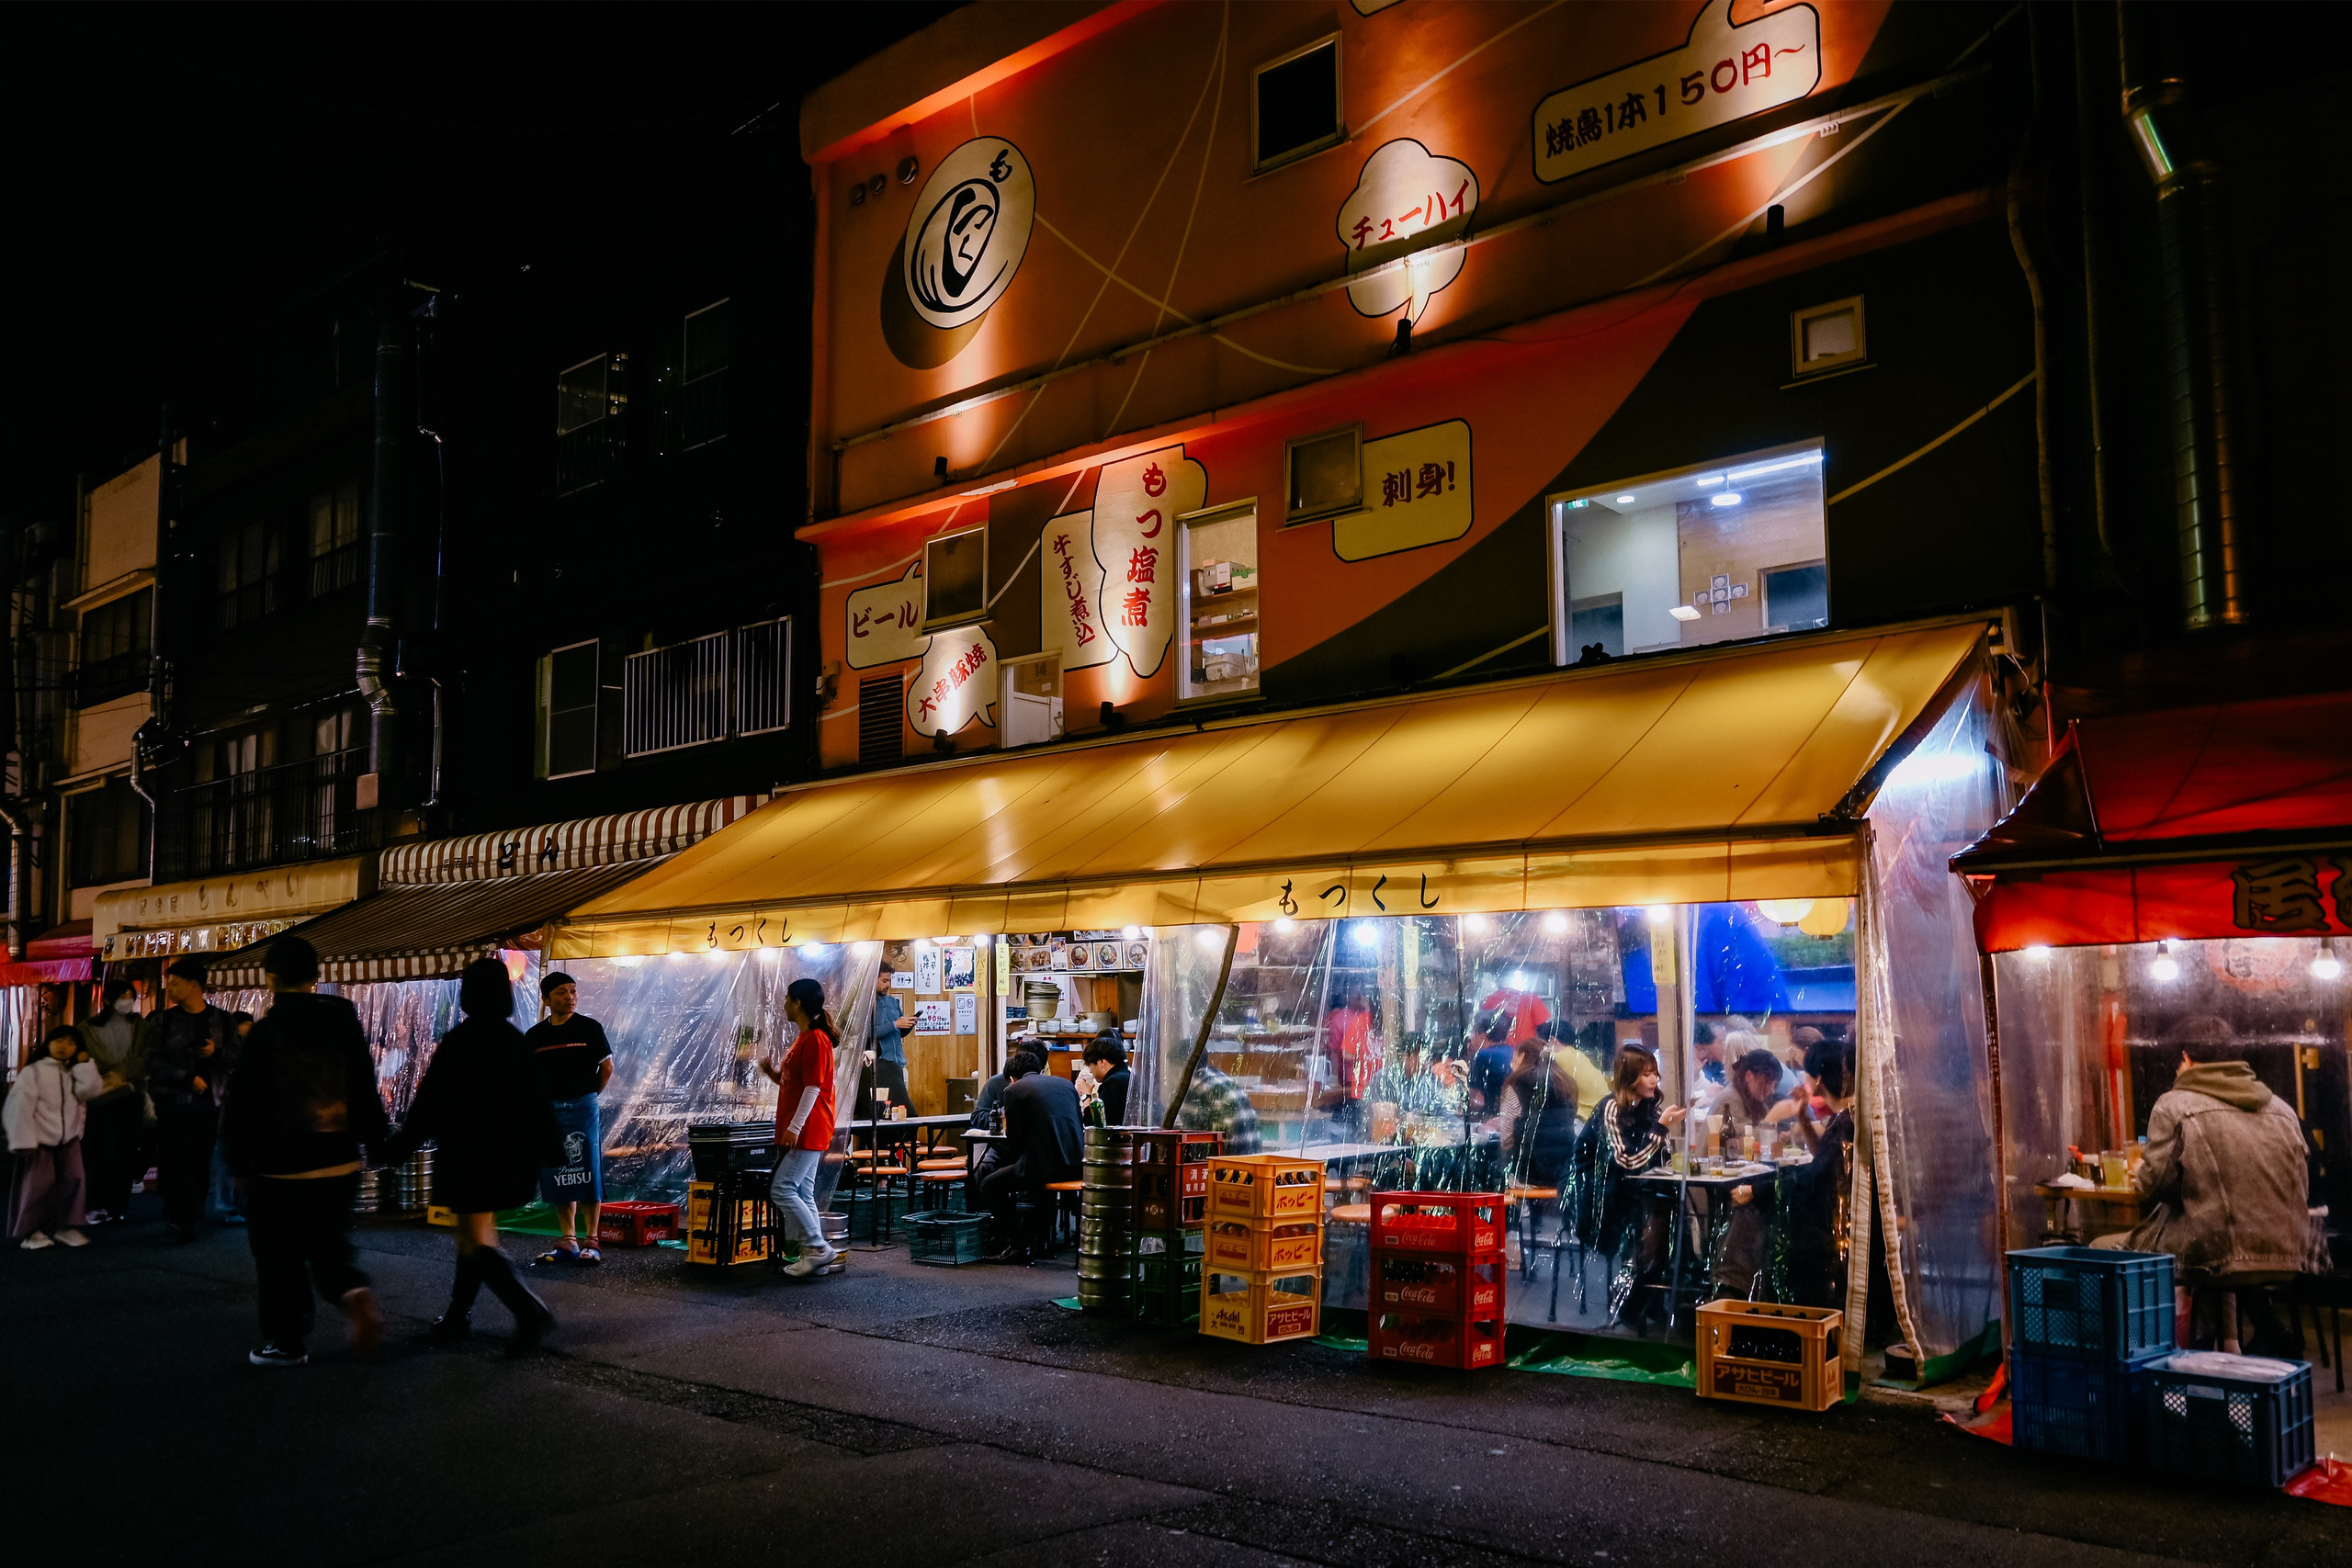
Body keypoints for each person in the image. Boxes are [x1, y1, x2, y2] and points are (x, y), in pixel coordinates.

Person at [220, 936, 389, 1368]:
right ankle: (352, 1291)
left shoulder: (264, 1033)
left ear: (270, 979)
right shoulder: (343, 1020)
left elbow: (242, 1103)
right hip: (340, 1159)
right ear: (316, 976)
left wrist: (237, 1162)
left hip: (280, 1169)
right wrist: (377, 1142)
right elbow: (364, 1084)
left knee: (279, 1257)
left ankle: (286, 1341)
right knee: (330, 1246)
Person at [382, 959, 561, 1350]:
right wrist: (552, 1151)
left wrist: (396, 1149)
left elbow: (429, 1106)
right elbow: (538, 1102)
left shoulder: (461, 1042)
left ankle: (525, 1307)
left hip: (469, 1157)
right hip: (511, 1158)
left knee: (474, 1241)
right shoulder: (515, 1041)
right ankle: (457, 1316)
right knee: (474, 1240)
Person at [2096, 1043, 2313, 1351]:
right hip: (2288, 1252)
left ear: (2186, 1058)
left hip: (2216, 1254)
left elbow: (2153, 1185)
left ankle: (2129, 1359)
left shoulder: (2174, 1104)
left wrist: (2144, 1169)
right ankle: (2228, 1346)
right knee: (2215, 1241)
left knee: (2099, 1249)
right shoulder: (2281, 1108)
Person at [1575, 1044, 1687, 1325]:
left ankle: (1646, 1296)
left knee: (1672, 1209)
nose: (1654, 1080)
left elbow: (1648, 1159)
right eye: (1647, 1074)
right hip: (1602, 1191)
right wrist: (1661, 1128)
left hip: (1636, 1188)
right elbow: (1625, 1161)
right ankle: (1634, 1299)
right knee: (1659, 1213)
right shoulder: (1611, 1107)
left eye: (1655, 1074)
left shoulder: (1648, 1106)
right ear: (1630, 1076)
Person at [525, 972, 614, 1266]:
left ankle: (592, 1240)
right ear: (547, 999)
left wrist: (589, 1096)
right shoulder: (535, 1036)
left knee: (587, 1169)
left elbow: (607, 1068)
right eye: (562, 992)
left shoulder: (589, 1028)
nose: (570, 997)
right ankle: (569, 1240)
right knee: (559, 1171)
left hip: (583, 1106)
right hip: (550, 1110)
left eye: (573, 991)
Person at [146, 957, 237, 1242]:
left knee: (199, 1161)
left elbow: (240, 1057)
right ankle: (180, 1217)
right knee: (175, 1160)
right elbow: (150, 1060)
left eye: (174, 984)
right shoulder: (163, 1020)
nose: (169, 989)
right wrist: (185, 1077)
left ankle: (190, 1214)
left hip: (211, 1104)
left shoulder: (223, 1020)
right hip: (173, 1103)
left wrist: (216, 1054)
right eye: (168, 984)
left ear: (194, 986)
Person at [758, 977, 842, 1279]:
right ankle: (814, 1257)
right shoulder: (804, 1038)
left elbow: (813, 1088)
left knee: (781, 1188)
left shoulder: (816, 1039)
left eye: (787, 999)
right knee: (803, 1191)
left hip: (809, 1127)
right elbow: (795, 1083)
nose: (783, 1004)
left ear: (798, 1004)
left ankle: (818, 1248)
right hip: (806, 1127)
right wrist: (773, 1075)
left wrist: (794, 1127)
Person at [6, 1026, 104, 1248]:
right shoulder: (34, 1072)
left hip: (68, 1139)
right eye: (60, 1040)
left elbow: (91, 1091)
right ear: (48, 1042)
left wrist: (84, 1065)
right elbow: (19, 1106)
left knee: (74, 1181)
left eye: (71, 1043)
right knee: (37, 1188)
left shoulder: (73, 1072)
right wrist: (23, 1139)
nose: (64, 1047)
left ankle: (65, 1227)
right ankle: (31, 1233)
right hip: (39, 1141)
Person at [982, 1049, 1083, 1265]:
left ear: (1011, 1077)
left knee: (990, 1184)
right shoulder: (1066, 1084)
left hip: (1043, 1166)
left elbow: (1015, 1140)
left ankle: (1018, 1244)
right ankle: (1042, 1243)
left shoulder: (1014, 1090)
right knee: (1037, 1185)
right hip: (1076, 1164)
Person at [75, 981, 149, 1225]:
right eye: (122, 996)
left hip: (130, 1095)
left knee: (126, 1152)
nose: (127, 1000)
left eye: (131, 996)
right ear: (108, 999)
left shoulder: (141, 1025)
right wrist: (117, 1075)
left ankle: (118, 1206)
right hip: (101, 1097)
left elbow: (147, 1057)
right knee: (99, 1152)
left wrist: (120, 1074)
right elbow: (86, 1059)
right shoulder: (87, 1028)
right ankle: (96, 1204)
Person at [207, 1012, 256, 1226]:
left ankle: (235, 1204)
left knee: (231, 1155)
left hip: (238, 1109)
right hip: (229, 1108)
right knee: (226, 1154)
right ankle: (227, 1205)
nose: (248, 1028)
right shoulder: (233, 1050)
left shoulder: (248, 1047)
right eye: (246, 1025)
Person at [1175, 1057, 1261, 1154]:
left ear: (1179, 1066)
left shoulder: (1196, 1089)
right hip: (1252, 1156)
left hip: (1229, 1161)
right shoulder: (1217, 1076)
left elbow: (1188, 1139)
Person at [863, 967, 913, 1118]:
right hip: (881, 1069)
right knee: (884, 1114)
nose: (888, 985)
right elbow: (866, 1034)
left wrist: (908, 1024)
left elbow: (898, 1032)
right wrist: (895, 1024)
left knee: (902, 1114)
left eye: (890, 981)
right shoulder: (866, 1004)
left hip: (900, 1065)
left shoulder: (893, 1002)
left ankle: (902, 1141)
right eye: (884, 981)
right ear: (873, 980)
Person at [1466, 1010, 1516, 1115]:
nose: (1469, 1038)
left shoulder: (1483, 1056)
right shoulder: (1511, 1051)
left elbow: (1477, 1102)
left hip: (1494, 1117)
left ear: (1482, 1035)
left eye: (1472, 1032)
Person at [1081, 1036, 1131, 1125]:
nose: (1090, 1070)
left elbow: (1094, 1122)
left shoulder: (1113, 1083)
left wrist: (1087, 1096)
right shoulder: (1130, 1076)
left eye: (1090, 1064)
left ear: (1101, 1062)